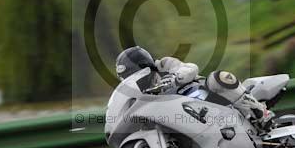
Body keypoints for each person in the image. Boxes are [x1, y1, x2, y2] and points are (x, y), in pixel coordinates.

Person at [115, 46, 273, 126]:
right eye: (127, 77)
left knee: (218, 77)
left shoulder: (164, 65)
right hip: (189, 117)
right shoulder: (140, 95)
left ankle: (260, 113)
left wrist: (175, 78)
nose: (134, 79)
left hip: (206, 94)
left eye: (133, 73)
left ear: (143, 65)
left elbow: (190, 68)